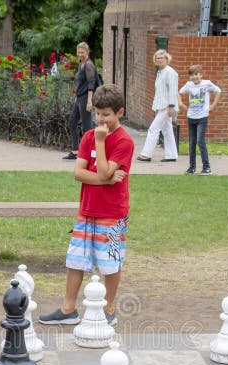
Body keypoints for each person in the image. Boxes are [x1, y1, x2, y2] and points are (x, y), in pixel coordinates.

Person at [40, 84, 134, 328]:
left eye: (106, 114)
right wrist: (104, 179)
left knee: (110, 263)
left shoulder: (124, 141)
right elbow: (79, 173)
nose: (101, 119)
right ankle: (68, 308)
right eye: (98, 114)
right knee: (76, 260)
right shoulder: (87, 136)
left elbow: (102, 169)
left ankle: (109, 307)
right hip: (87, 210)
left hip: (113, 214)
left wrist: (101, 143)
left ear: (119, 112)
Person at [136, 49, 179, 163]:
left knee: (153, 129)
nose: (159, 60)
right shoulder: (160, 72)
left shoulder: (170, 72)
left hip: (167, 106)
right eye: (157, 58)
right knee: (167, 130)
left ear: (166, 59)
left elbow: (172, 90)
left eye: (161, 58)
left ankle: (146, 154)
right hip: (161, 106)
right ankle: (171, 155)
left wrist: (171, 106)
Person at [178, 64, 221, 175]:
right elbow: (179, 92)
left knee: (200, 141)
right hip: (191, 116)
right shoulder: (188, 85)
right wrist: (181, 103)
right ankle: (192, 167)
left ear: (201, 75)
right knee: (192, 142)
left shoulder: (207, 84)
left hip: (202, 117)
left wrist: (213, 105)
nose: (194, 77)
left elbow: (218, 91)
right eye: (191, 75)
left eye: (196, 74)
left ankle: (206, 167)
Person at [62, 42, 98, 161]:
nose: (80, 54)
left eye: (82, 52)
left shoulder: (88, 65)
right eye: (78, 52)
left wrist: (89, 101)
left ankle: (93, 152)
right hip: (79, 98)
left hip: (85, 98)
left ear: (87, 52)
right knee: (72, 122)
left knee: (87, 126)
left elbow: (91, 83)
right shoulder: (81, 65)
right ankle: (75, 150)